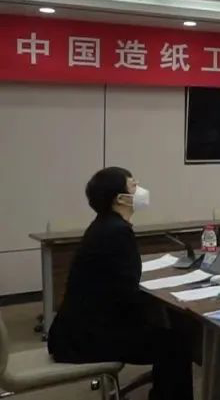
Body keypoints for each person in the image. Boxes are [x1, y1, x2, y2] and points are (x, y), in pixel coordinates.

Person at [48, 167, 193, 400]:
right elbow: (126, 294)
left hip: (75, 331)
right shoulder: (116, 232)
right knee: (176, 344)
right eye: (134, 185)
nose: (141, 190)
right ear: (121, 199)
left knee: (170, 334)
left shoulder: (105, 225)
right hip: (85, 339)